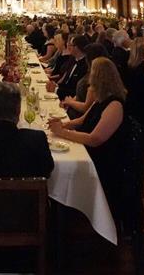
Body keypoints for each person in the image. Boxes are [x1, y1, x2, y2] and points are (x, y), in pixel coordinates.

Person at [49, 58, 127, 208]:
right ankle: (60, 199)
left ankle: (69, 201)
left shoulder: (115, 104)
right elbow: (81, 120)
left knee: (64, 161)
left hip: (102, 157)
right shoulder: (100, 99)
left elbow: (95, 139)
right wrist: (61, 124)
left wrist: (62, 132)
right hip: (88, 145)